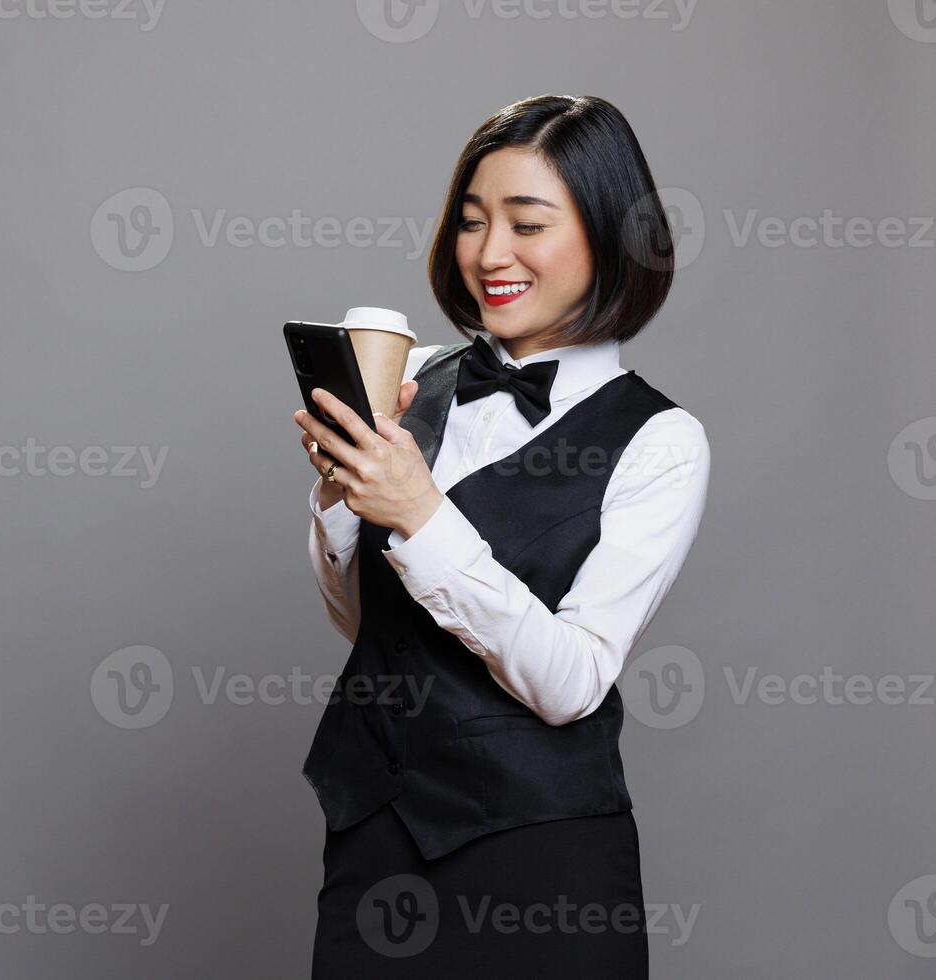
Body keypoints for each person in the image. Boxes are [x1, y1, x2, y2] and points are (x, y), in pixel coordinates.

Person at [293, 94, 710, 976]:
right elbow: (370, 627)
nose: (490, 255)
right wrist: (340, 496)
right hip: (375, 842)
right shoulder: (416, 381)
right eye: (472, 222)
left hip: (543, 864)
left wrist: (419, 513)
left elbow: (572, 681)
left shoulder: (661, 441)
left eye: (527, 224)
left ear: (611, 235)